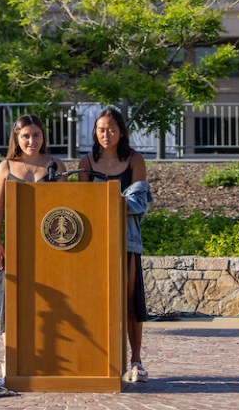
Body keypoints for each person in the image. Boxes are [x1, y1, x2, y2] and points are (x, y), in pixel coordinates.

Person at [79, 107, 152, 384]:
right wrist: (119, 200)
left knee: (131, 302)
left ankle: (136, 360)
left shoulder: (135, 160)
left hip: (127, 241)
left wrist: (107, 199)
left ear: (121, 131)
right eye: (100, 129)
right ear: (94, 133)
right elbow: (83, 206)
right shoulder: (85, 162)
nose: (106, 134)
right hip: (93, 243)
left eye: (111, 129)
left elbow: (140, 203)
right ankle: (102, 357)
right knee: (97, 302)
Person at [0, 114, 67, 270]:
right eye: (26, 136)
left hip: (52, 238)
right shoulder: (5, 168)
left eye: (36, 135)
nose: (32, 141)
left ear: (43, 137)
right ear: (17, 138)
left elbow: (65, 205)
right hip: (18, 239)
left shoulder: (56, 165)